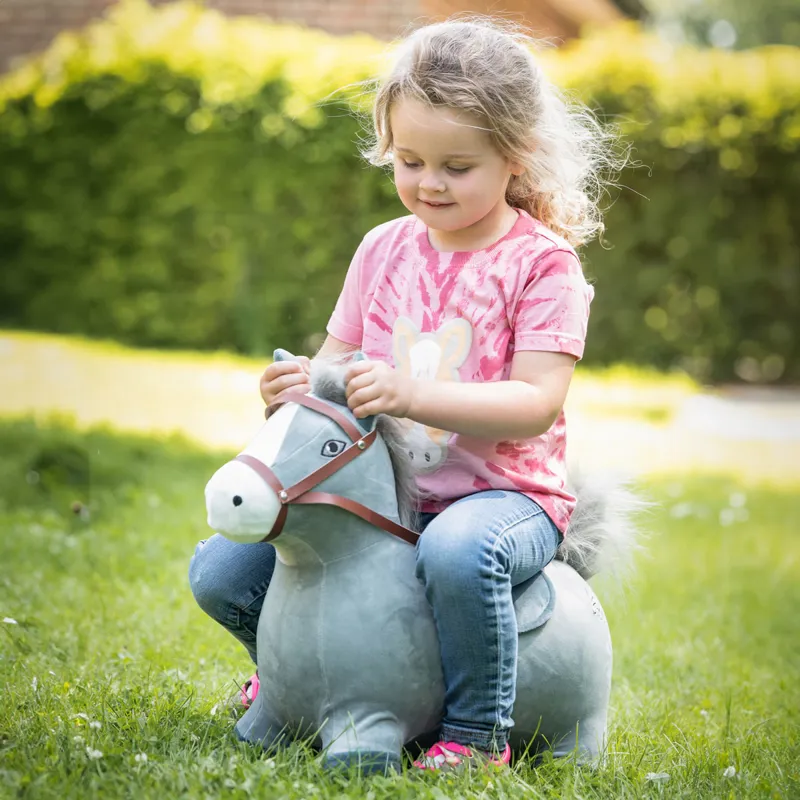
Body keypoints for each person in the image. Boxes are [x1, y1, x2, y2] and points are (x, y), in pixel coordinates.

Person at [190, 16, 620, 771]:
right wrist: (287, 391)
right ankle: (298, 676)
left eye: (457, 166)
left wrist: (412, 394)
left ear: (513, 156)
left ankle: (476, 732)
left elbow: (536, 402)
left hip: (503, 495)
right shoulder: (383, 249)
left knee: (457, 555)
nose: (428, 182)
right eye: (409, 159)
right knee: (225, 570)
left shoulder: (542, 265)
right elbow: (334, 374)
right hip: (386, 494)